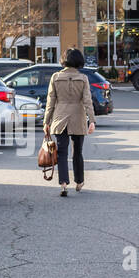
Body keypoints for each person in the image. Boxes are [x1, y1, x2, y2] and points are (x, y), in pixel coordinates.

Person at [43, 48, 96, 196]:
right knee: (77, 152)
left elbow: (50, 101)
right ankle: (79, 182)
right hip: (78, 118)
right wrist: (91, 120)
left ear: (64, 59)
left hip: (60, 119)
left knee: (61, 153)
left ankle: (64, 184)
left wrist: (46, 122)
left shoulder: (55, 77)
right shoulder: (83, 78)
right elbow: (87, 101)